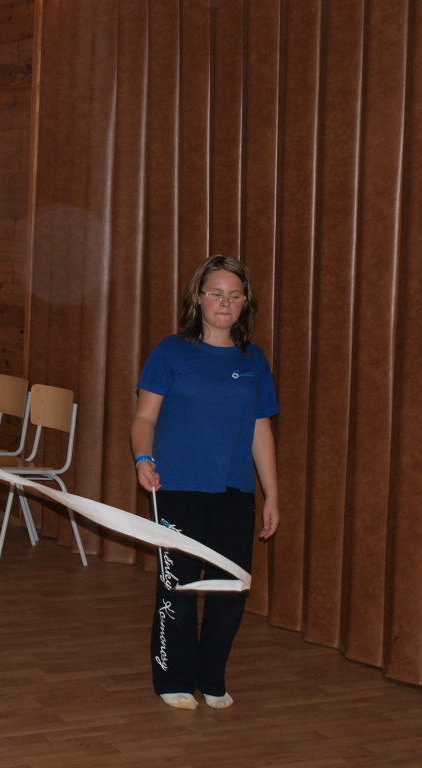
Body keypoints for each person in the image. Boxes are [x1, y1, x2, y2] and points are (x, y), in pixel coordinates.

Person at [130, 255, 279, 710]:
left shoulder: (253, 360)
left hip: (234, 491)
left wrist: (272, 494)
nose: (225, 303)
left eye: (235, 296)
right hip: (176, 488)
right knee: (177, 587)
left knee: (229, 590)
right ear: (199, 298)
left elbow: (260, 430)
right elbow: (144, 418)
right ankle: (173, 678)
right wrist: (143, 458)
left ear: (245, 303)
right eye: (216, 293)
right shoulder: (170, 352)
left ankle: (212, 677)